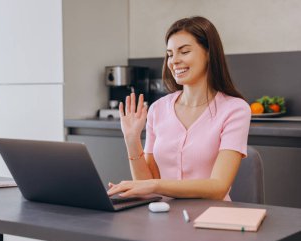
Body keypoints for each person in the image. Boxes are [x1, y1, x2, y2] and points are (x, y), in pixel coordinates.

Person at [107, 16, 251, 201]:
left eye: (184, 52)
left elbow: (218, 187)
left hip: (211, 219)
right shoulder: (158, 109)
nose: (174, 61)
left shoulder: (235, 110)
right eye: (170, 54)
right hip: (163, 218)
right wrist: (131, 139)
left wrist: (156, 185)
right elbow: (147, 187)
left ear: (208, 53)